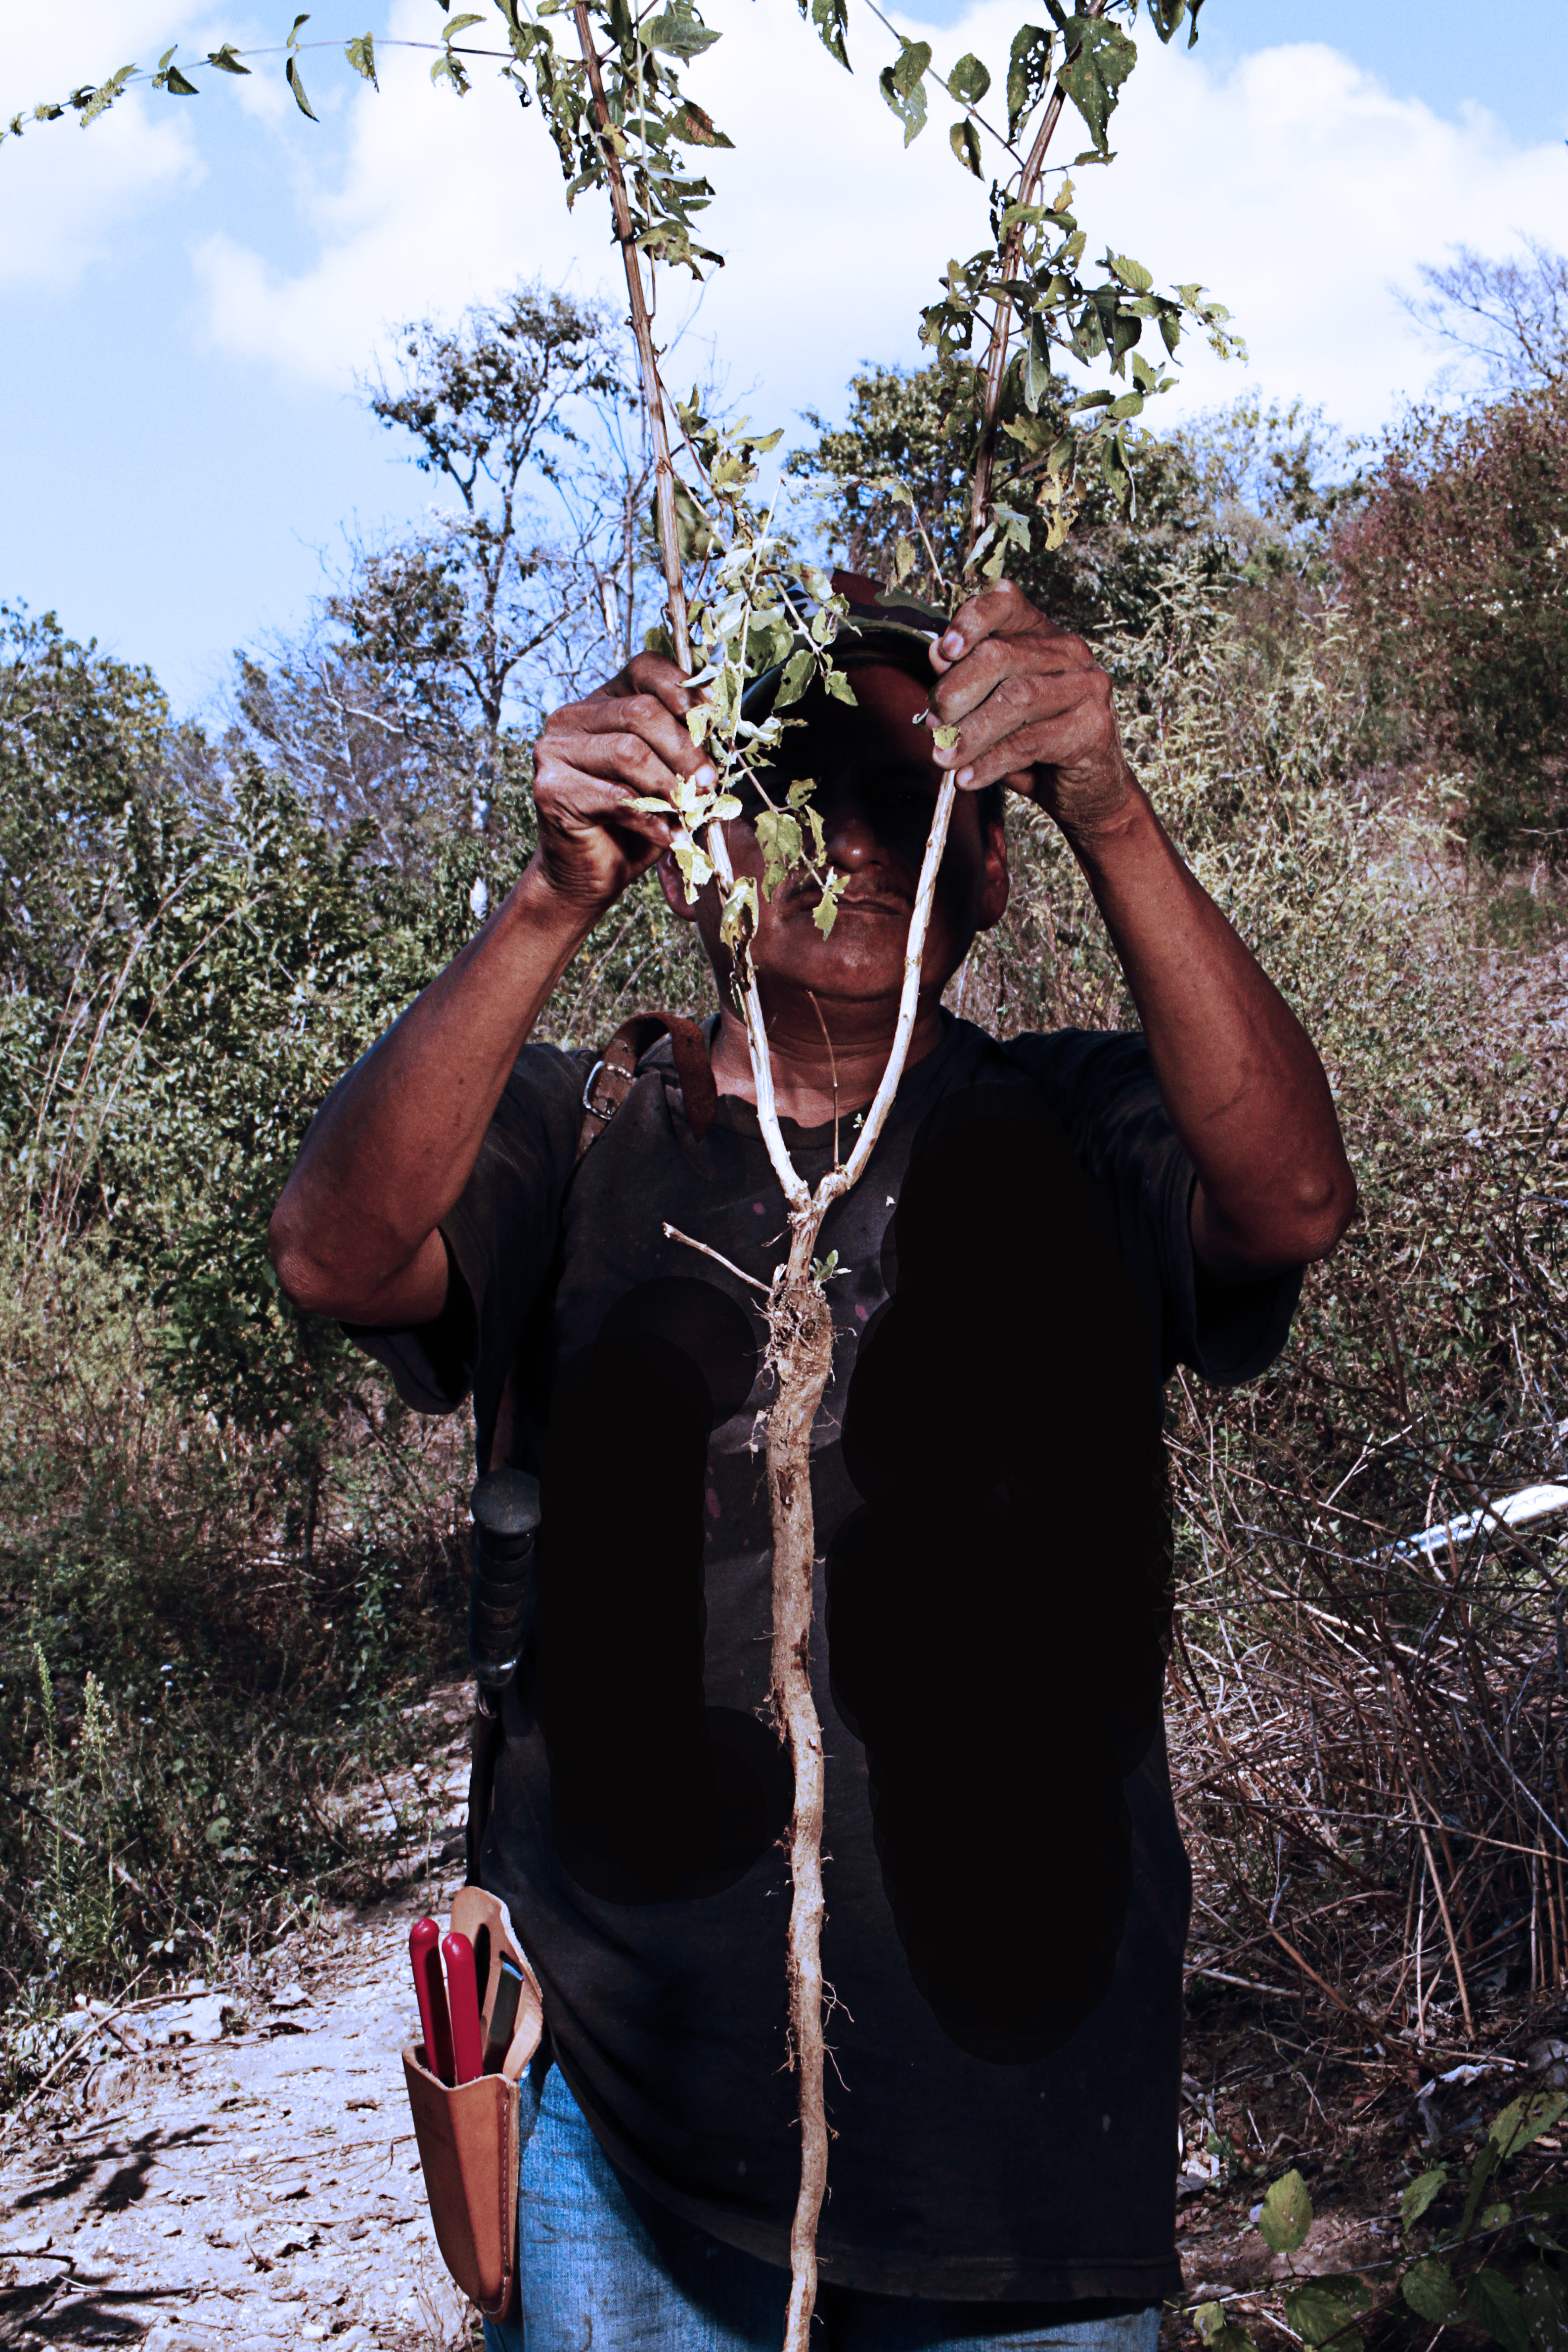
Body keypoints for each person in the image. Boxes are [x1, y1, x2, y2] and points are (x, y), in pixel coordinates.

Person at [269, 577, 1355, 2352]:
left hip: (1027, 2130)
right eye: (790, 790)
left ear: (989, 872)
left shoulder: (1083, 1122)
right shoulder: (569, 1128)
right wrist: (553, 893)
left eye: (913, 800)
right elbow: (334, 1256)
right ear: (695, 852)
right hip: (622, 2128)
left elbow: (1291, 1201)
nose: (848, 841)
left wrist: (1109, 809)